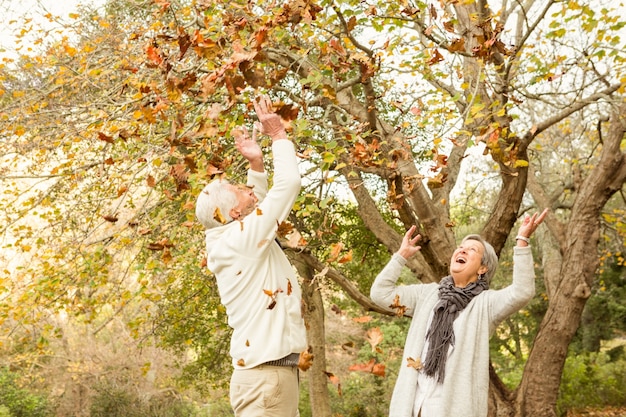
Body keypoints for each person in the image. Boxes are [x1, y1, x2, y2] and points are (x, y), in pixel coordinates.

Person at [370, 209, 549, 417]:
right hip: (412, 408)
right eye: (461, 248)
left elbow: (522, 292)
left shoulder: (486, 304)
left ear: (483, 269)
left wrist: (522, 240)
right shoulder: (427, 295)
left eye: (472, 250)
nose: (462, 251)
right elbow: (380, 294)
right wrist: (400, 257)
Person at [195, 95, 307, 417]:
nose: (248, 189)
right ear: (232, 211)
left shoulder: (233, 238)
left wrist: (256, 165)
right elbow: (288, 186)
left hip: (268, 377)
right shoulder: (239, 241)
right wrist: (278, 136)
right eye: (240, 188)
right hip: (266, 380)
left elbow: (257, 208)